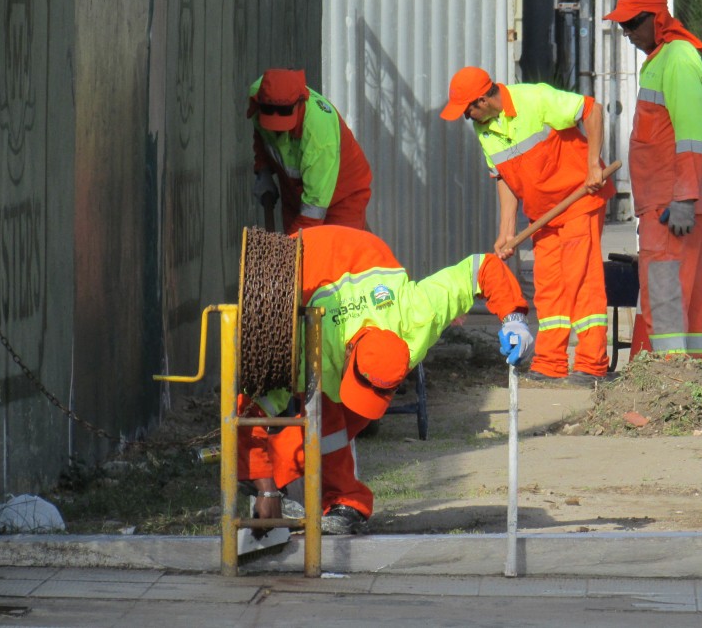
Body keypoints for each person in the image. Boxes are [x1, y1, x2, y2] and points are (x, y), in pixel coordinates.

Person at [238, 225, 535, 534]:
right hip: (307, 261)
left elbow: (480, 267)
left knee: (339, 422)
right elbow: (249, 408)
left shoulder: (414, 313)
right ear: (348, 352)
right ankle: (289, 487)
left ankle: (342, 501)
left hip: (363, 261)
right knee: (311, 414)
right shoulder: (306, 342)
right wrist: (266, 488)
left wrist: (514, 319)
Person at [439, 67, 614, 384]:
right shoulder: (484, 128)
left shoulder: (534, 98)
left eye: (467, 111)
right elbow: (503, 177)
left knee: (581, 279)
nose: (468, 119)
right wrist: (506, 229)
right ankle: (550, 363)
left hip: (578, 199)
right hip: (543, 214)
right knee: (548, 288)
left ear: (482, 100)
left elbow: (592, 110)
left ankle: (592, 364)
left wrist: (592, 165)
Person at [604, 0, 702, 357]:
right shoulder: (666, 59)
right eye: (622, 26)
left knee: (665, 293)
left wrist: (685, 197)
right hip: (667, 202)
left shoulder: (677, 59)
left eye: (632, 24)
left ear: (657, 19)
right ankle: (690, 377)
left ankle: (666, 382)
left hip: (671, 205)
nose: (627, 33)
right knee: (683, 295)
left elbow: (691, 134)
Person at [247, 68, 373, 234]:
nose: (277, 131)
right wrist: (263, 170)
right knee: (298, 249)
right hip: (296, 192)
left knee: (336, 253)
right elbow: (261, 134)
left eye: (284, 120)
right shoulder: (260, 95)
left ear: (300, 104)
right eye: (271, 119)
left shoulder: (319, 135)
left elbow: (312, 214)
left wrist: (288, 252)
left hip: (342, 195)